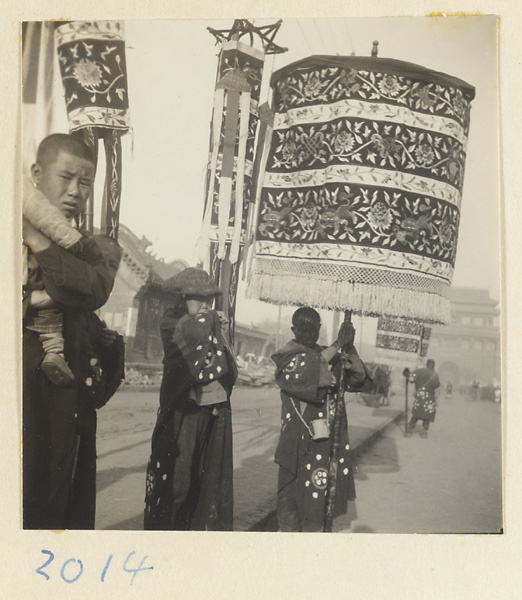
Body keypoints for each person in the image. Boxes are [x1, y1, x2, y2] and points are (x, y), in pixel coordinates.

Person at [23, 133, 124, 529]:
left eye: (85, 183)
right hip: (23, 385)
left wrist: (34, 238)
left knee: (64, 499)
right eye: (66, 177)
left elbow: (89, 289)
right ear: (36, 173)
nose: (74, 191)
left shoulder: (87, 246)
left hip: (70, 395)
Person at [144, 268, 237, 531]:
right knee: (178, 482)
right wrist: (212, 322)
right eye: (199, 298)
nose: (206, 305)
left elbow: (227, 364)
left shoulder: (205, 323)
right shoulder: (174, 323)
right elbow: (194, 335)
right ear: (182, 298)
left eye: (209, 300)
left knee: (201, 477)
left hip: (209, 409)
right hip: (182, 412)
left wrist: (220, 329)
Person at [271, 307, 373, 532]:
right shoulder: (287, 355)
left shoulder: (328, 354)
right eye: (302, 328)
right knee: (289, 498)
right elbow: (308, 367)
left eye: (313, 329)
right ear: (293, 330)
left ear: (319, 330)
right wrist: (337, 344)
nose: (308, 333)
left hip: (323, 442)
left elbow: (355, 380)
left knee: (317, 497)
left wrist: (349, 352)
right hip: (295, 441)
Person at [408, 359, 440, 438]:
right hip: (429, 397)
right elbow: (437, 385)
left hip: (420, 396)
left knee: (416, 413)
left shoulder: (419, 371)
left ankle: (409, 431)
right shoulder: (434, 374)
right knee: (427, 414)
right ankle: (425, 432)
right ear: (433, 366)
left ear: (426, 364)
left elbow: (410, 379)